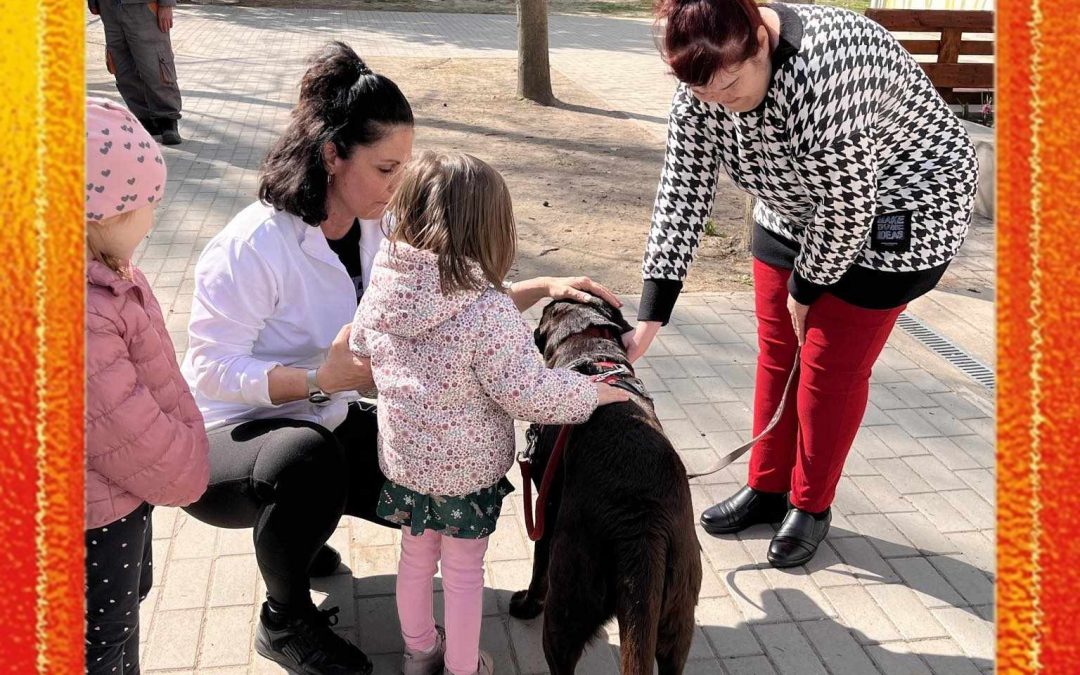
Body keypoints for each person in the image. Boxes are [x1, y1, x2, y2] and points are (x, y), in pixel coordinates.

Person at [179, 42, 624, 675]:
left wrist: (542, 289)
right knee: (306, 464)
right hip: (233, 432)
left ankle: (306, 537)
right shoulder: (251, 244)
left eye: (406, 167)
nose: (402, 184)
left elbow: (460, 308)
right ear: (333, 155)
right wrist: (316, 380)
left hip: (327, 408)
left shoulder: (379, 226)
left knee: (410, 465)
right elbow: (208, 371)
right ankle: (285, 618)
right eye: (388, 168)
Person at [622, 0, 978, 568]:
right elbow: (682, 190)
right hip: (794, 204)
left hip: (898, 207)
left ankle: (811, 504)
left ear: (760, 42)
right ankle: (767, 485)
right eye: (704, 94)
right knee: (777, 352)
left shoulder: (823, 70)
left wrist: (806, 289)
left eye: (731, 87)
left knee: (827, 371)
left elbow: (847, 210)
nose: (719, 105)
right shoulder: (705, 70)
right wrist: (652, 314)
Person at [349, 151, 631, 675]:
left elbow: (361, 352)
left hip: (406, 463)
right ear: (488, 229)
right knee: (461, 573)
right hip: (467, 474)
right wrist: (591, 393)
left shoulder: (384, 287)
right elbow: (530, 393)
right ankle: (462, 667)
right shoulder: (488, 311)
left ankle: (418, 653)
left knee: (414, 558)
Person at [84, 97, 210, 675]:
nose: (155, 220)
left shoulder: (102, 279)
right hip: (91, 523)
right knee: (101, 646)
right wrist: (188, 465)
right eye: (145, 205)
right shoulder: (74, 313)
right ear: (97, 216)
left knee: (120, 622)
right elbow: (124, 426)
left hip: (113, 502)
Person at [88, 0, 184, 145]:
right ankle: (144, 118)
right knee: (122, 68)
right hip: (109, 9)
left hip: (144, 7)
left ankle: (167, 120)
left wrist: (166, 5)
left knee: (155, 65)